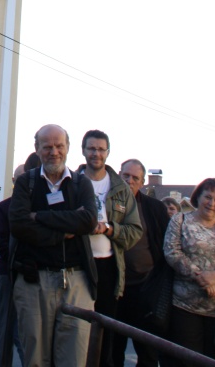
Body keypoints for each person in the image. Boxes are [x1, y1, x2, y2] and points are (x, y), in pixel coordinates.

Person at [9, 123, 97, 367]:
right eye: (47, 146)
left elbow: (88, 221)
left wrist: (40, 217)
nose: (54, 152)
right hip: (33, 281)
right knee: (35, 358)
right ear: (37, 149)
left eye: (59, 146)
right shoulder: (26, 183)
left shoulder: (81, 184)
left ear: (68, 148)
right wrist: (63, 232)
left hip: (77, 281)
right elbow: (19, 225)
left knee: (73, 359)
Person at [79, 129, 142, 367]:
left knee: (105, 332)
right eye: (91, 148)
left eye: (100, 149)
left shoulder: (120, 188)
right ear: (83, 151)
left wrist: (108, 229)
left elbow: (134, 231)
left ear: (108, 152)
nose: (96, 153)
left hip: (108, 267)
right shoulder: (72, 182)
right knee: (77, 328)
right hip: (77, 264)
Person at [164, 177, 215, 363]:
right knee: (187, 361)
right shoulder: (181, 220)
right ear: (198, 197)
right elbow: (172, 252)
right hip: (185, 308)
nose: (211, 203)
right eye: (208, 197)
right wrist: (202, 278)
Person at [113, 159, 169, 367]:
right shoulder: (107, 204)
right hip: (116, 288)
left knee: (147, 351)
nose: (129, 181)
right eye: (126, 176)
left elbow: (165, 245)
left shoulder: (154, 208)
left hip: (145, 290)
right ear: (119, 176)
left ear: (143, 182)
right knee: (113, 349)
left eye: (135, 178)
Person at [0, 165, 24, 367]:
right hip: (8, 274)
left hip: (30, 276)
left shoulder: (35, 206)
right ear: (13, 181)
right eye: (19, 179)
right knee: (6, 331)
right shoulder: (4, 207)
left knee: (25, 335)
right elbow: (0, 242)